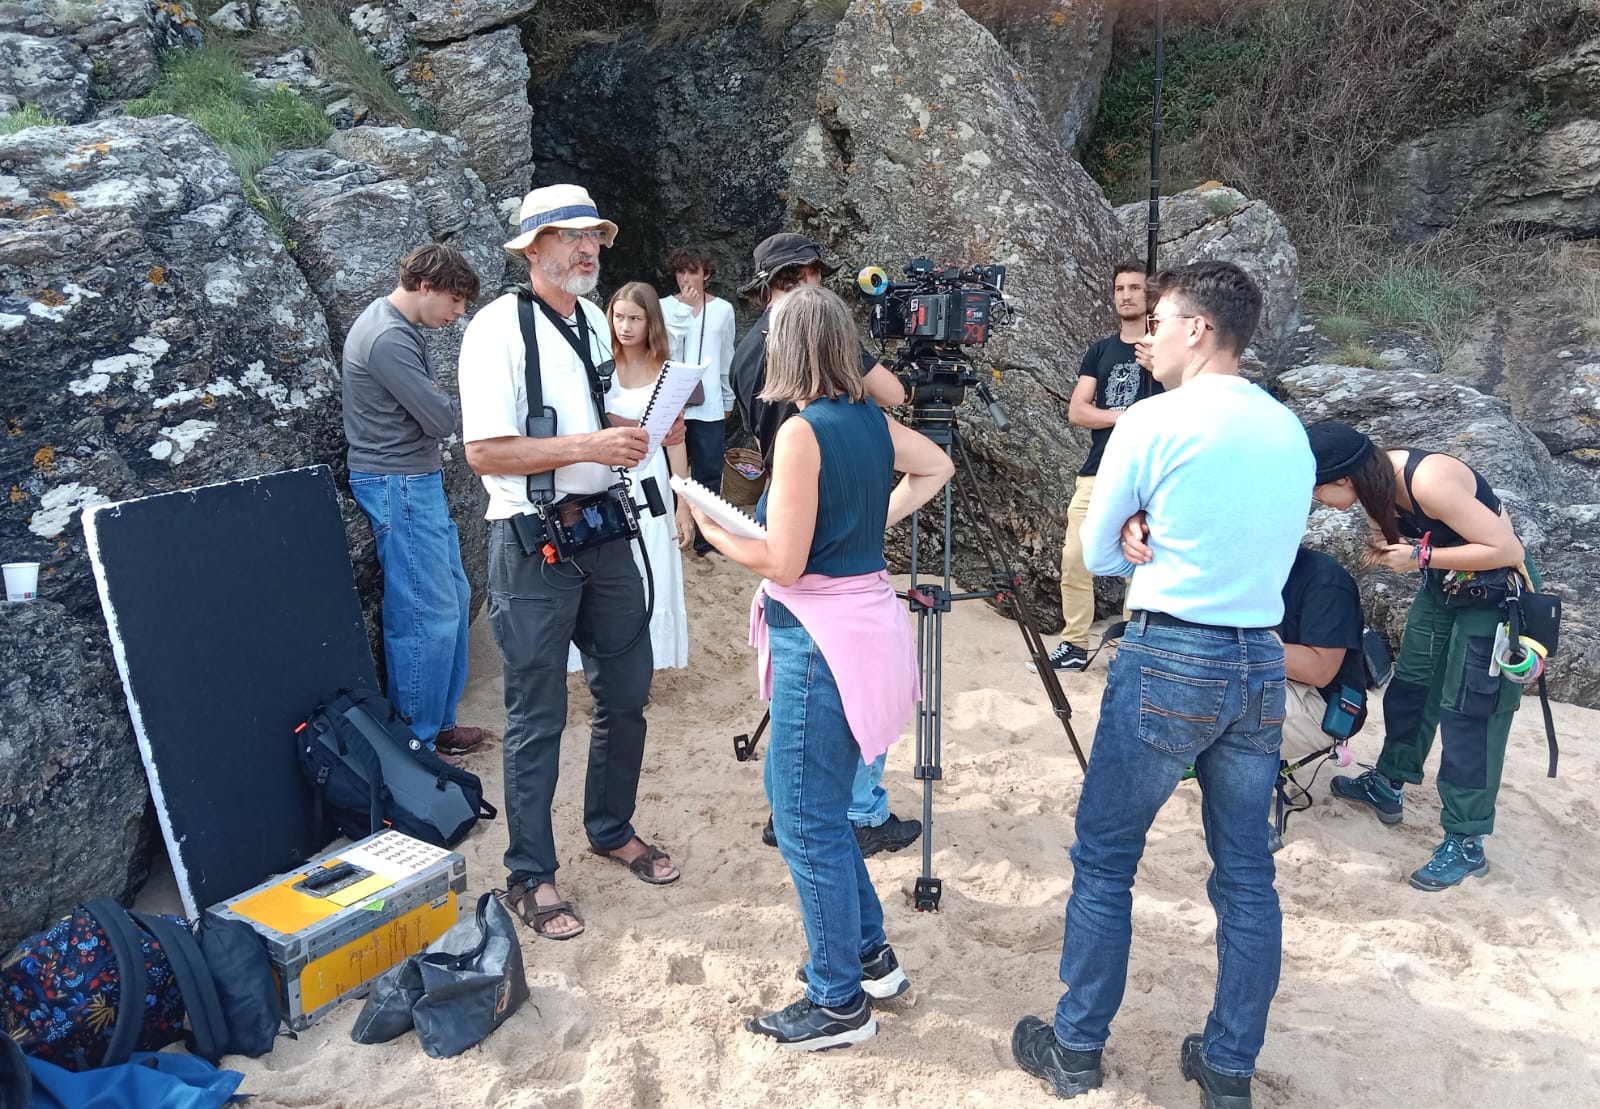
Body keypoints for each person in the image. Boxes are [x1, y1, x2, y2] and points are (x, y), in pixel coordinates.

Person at [1011, 260, 1312, 1108]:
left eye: (1161, 322)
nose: (1148, 338)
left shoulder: (1154, 419)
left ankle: (1076, 1047)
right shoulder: (1288, 429)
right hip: (1260, 658)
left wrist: (1141, 529)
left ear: (1198, 329)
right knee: (1246, 873)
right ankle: (1228, 1064)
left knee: (1106, 858)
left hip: (1172, 649)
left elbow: (1097, 552)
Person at [689, 285, 954, 1049]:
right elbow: (936, 465)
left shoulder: (804, 432)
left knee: (803, 820)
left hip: (820, 639)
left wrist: (711, 527)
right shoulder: (867, 419)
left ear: (790, 348)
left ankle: (838, 1000)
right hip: (863, 624)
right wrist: (873, 518)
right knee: (818, 809)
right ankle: (870, 958)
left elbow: (783, 560)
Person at [457, 184, 678, 943]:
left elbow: (586, 416)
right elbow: (484, 451)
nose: (588, 249)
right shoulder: (496, 328)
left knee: (627, 691)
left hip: (603, 533)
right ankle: (530, 874)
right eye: (571, 236)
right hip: (533, 544)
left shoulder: (588, 321)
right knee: (537, 714)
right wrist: (591, 445)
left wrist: (630, 429)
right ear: (533, 249)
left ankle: (610, 828)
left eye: (595, 237)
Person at [730, 232, 923, 858]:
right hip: (829, 478)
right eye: (810, 275)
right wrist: (879, 515)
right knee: (846, 669)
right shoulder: (813, 341)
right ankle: (859, 811)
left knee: (798, 679)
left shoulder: (744, 351)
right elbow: (896, 395)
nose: (815, 285)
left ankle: (790, 805)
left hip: (784, 490)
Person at [1308, 421, 1535, 891]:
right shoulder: (1373, 484)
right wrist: (1398, 548)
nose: (1315, 500)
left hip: (1496, 593)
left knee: (1471, 710)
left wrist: (1420, 558)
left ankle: (1467, 839)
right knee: (1412, 684)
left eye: (1316, 490)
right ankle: (1388, 781)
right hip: (1445, 586)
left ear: (1343, 477)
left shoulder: (1427, 481)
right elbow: (1401, 538)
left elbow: (1506, 548)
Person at [341, 243, 485, 765]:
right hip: (397, 483)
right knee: (425, 611)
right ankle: (416, 744)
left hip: (411, 480)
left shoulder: (398, 328)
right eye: (454, 300)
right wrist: (439, 398)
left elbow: (433, 408)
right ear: (425, 286)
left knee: (454, 597)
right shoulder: (387, 337)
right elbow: (441, 418)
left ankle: (438, 725)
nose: (458, 313)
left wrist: (435, 398)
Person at [1033, 262, 1161, 674]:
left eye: (1135, 288)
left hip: (1148, 472)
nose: (1126, 295)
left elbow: (1187, 401)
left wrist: (1158, 367)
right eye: (1120, 288)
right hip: (1099, 469)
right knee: (1075, 555)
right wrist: (1122, 417)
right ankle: (1074, 644)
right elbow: (1078, 410)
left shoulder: (1162, 350)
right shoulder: (1100, 350)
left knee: (1139, 561)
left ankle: (1129, 647)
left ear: (1149, 295)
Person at [566, 283, 693, 672]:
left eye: (635, 318)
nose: (624, 326)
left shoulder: (666, 372)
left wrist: (684, 504)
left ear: (651, 321)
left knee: (651, 562)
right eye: (618, 317)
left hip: (649, 476)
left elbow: (676, 441)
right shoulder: (598, 362)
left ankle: (644, 661)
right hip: (601, 475)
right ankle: (602, 658)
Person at [1270, 544, 1369, 850]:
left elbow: (1319, 670)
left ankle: (1246, 817)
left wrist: (1229, 645)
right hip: (1279, 681)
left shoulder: (1324, 578)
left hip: (1326, 706)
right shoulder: (1242, 567)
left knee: (1222, 701)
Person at [661, 246, 737, 556]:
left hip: (709, 403)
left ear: (706, 274)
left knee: (708, 474)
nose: (686, 278)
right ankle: (671, 535)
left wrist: (728, 396)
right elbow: (663, 352)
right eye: (681, 271)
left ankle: (707, 542)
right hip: (671, 402)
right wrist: (682, 311)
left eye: (693, 271)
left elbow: (726, 355)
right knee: (670, 474)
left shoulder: (723, 309)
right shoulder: (663, 307)